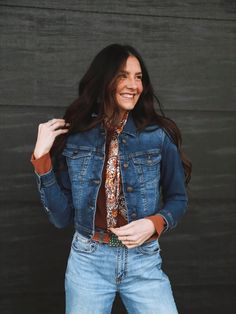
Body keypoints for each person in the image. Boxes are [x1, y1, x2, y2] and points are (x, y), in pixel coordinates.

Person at [31, 43, 192, 314]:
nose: (133, 85)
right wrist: (41, 158)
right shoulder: (75, 137)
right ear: (104, 79)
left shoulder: (158, 136)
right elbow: (60, 218)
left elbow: (178, 199)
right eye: (122, 75)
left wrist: (154, 224)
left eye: (138, 77)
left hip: (143, 261)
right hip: (88, 262)